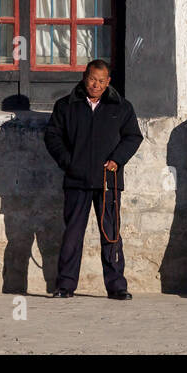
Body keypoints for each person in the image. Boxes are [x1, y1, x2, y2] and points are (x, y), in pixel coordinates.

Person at [43, 60, 143, 299]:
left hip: (109, 181)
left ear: (108, 82)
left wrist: (117, 160)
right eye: (92, 79)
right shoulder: (66, 106)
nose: (96, 85)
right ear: (84, 77)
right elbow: (52, 137)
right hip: (76, 180)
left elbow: (132, 137)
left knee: (111, 234)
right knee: (72, 234)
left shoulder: (121, 106)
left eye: (101, 81)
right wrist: (69, 162)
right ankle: (65, 285)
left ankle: (117, 286)